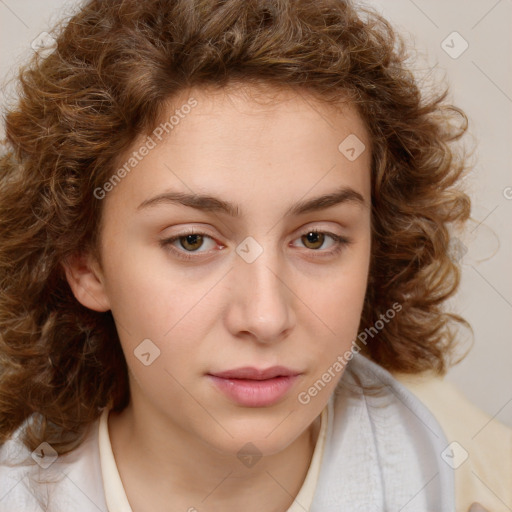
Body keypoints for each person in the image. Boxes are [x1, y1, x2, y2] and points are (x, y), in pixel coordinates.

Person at [0, 0, 510, 511]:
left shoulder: (481, 481)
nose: (266, 317)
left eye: (316, 239)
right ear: (85, 263)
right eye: (192, 241)